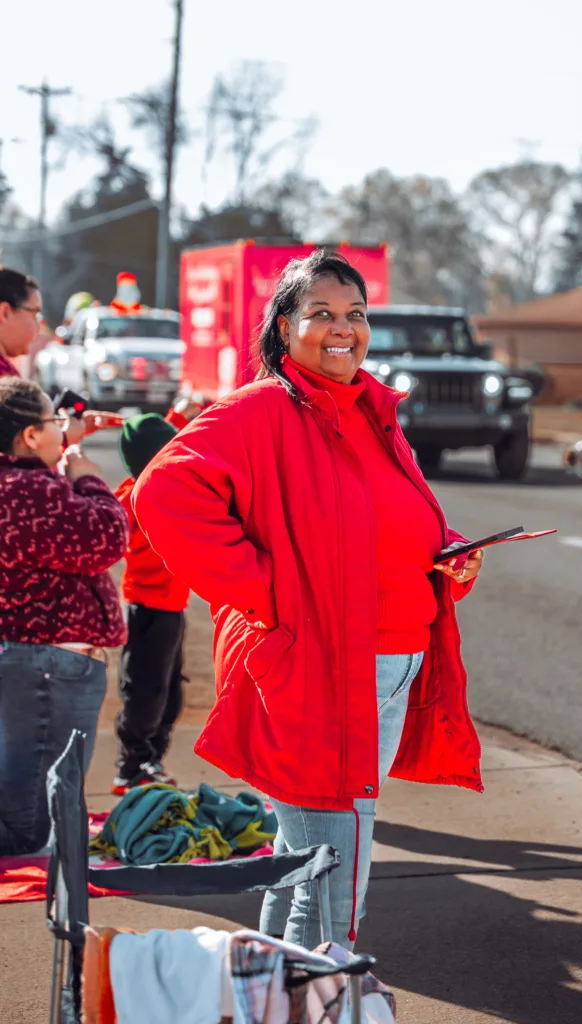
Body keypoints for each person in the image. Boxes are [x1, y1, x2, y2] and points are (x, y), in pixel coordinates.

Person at [132, 250, 484, 949]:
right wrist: (267, 589)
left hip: (387, 662)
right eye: (320, 313)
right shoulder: (261, 410)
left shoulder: (369, 409)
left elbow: (387, 512)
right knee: (332, 881)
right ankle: (322, 993)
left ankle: (270, 993)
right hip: (322, 668)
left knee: (306, 870)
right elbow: (161, 493)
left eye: (355, 315)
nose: (342, 328)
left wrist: (444, 548)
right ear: (284, 326)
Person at [0, 378, 128, 855]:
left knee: (35, 801)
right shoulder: (29, 488)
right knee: (30, 824)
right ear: (31, 436)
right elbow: (107, 537)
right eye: (53, 423)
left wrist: (67, 448)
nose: (61, 431)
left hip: (37, 662)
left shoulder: (18, 482)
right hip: (47, 667)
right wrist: (89, 477)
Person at [111, 413, 191, 795]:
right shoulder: (132, 495)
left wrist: (177, 416)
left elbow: (160, 441)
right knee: (145, 689)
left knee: (170, 690)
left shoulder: (166, 483)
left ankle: (152, 758)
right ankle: (132, 765)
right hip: (146, 608)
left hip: (172, 608)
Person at [0, 266, 122, 443]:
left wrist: (58, 428)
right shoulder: (4, 380)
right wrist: (62, 438)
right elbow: (17, 452)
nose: (39, 326)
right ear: (5, 313)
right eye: (35, 315)